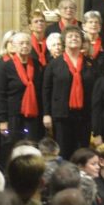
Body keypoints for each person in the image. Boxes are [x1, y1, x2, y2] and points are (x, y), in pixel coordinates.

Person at [42, 25, 97, 158]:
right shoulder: (54, 64)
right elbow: (46, 90)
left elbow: (95, 91)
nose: (74, 38)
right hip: (62, 115)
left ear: (82, 41)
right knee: (63, 149)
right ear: (64, 41)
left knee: (83, 151)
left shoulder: (90, 64)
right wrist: (46, 114)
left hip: (84, 114)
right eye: (70, 36)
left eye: (77, 36)